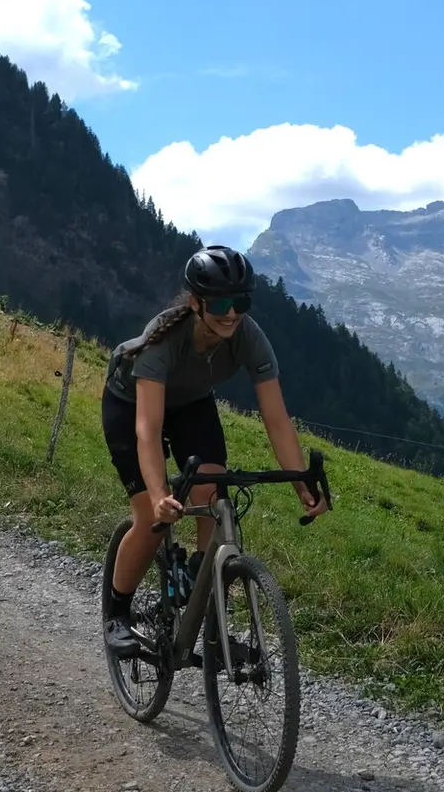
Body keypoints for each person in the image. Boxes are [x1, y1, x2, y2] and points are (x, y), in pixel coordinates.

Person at [100, 244, 327, 651]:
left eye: (240, 301)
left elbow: (276, 419)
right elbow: (148, 431)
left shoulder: (248, 337)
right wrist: (158, 497)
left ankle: (204, 604)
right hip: (133, 404)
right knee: (152, 520)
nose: (231, 312)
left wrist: (301, 484)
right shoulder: (162, 341)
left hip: (191, 403)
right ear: (195, 302)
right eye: (220, 302)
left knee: (214, 490)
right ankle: (118, 614)